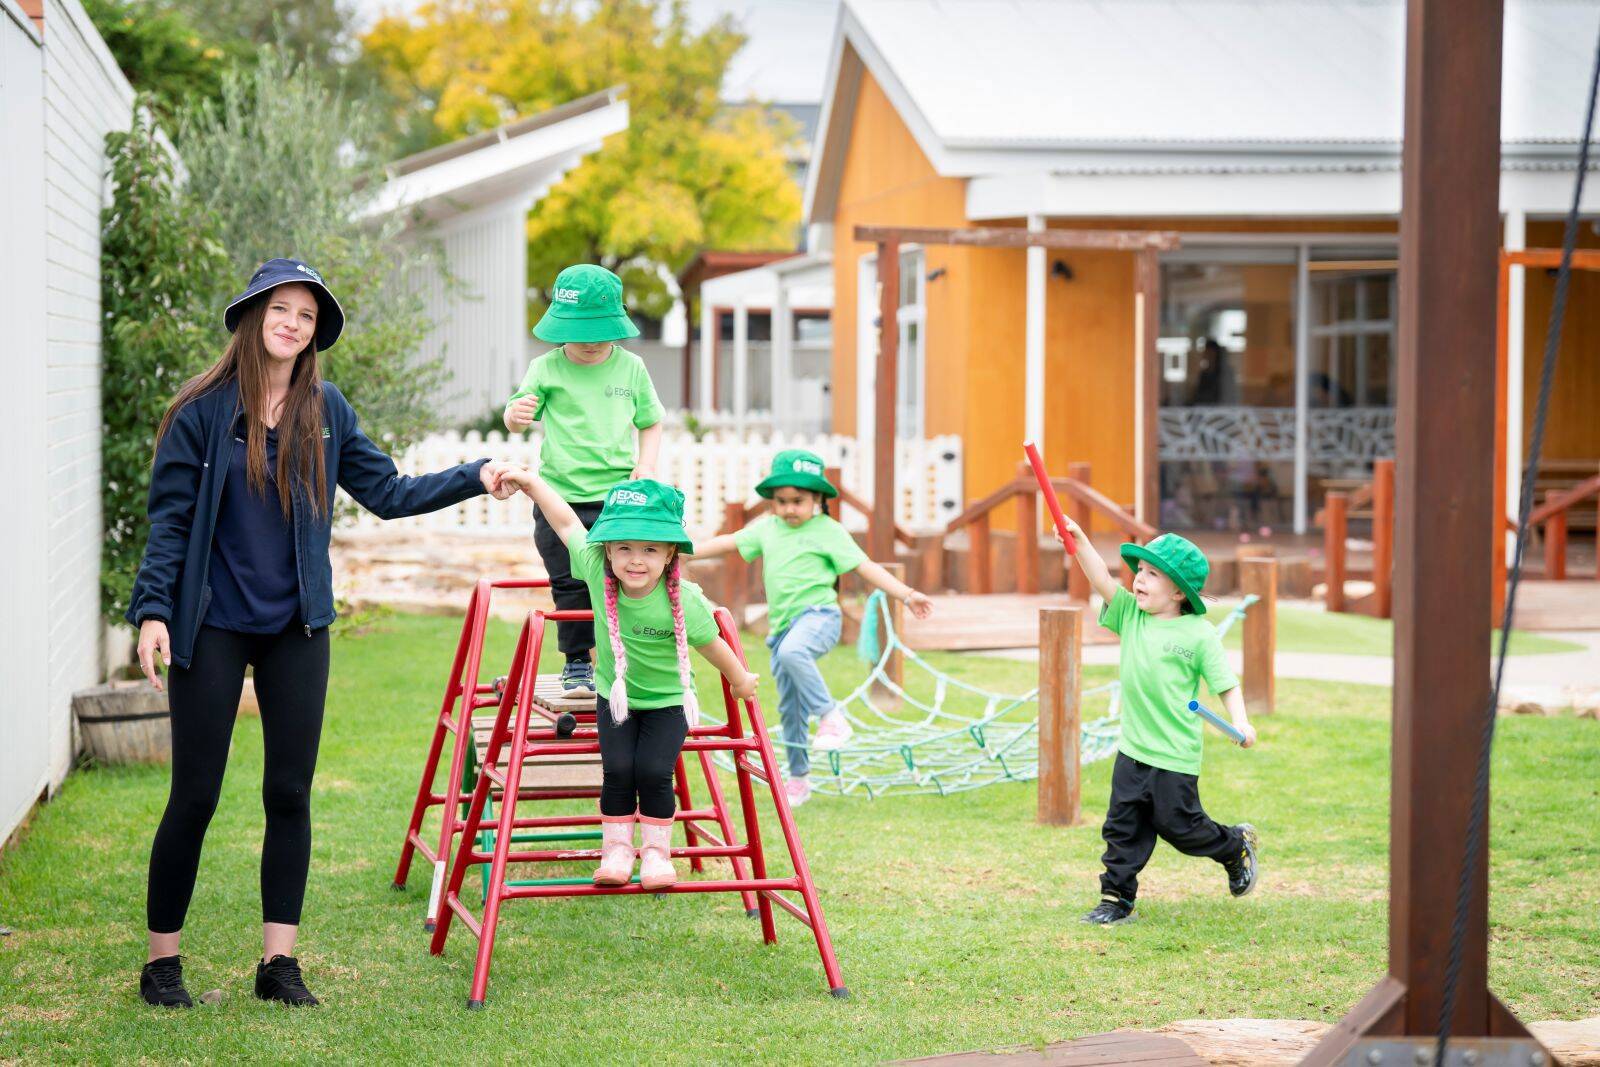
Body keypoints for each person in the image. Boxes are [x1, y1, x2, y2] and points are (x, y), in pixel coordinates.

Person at [127, 259, 518, 1008]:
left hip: (296, 626)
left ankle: (279, 964)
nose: (293, 323)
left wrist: (479, 473)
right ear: (252, 315)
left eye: (306, 316)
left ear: (314, 333)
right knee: (195, 795)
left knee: (290, 793)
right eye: (282, 308)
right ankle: (162, 964)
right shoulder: (200, 411)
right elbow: (169, 523)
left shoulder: (326, 409)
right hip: (209, 623)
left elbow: (391, 493)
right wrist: (153, 610)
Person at [497, 470, 760, 889]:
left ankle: (656, 854)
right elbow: (566, 522)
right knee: (618, 768)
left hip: (668, 700)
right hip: (615, 696)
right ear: (607, 550)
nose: (636, 560)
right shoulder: (597, 571)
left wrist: (740, 678)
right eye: (624, 548)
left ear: (670, 554)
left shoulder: (684, 600)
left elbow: (712, 645)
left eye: (650, 550)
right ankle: (617, 850)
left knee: (654, 770)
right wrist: (533, 484)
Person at [694, 450, 933, 807]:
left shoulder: (828, 531)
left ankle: (833, 717)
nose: (789, 509)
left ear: (818, 500)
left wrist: (907, 594)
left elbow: (865, 567)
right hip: (782, 629)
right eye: (781, 502)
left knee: (795, 653)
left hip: (820, 617)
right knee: (790, 708)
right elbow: (727, 543)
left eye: (799, 501)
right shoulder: (767, 528)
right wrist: (677, 551)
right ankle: (799, 778)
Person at [1055, 518, 1259, 925]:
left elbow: (1226, 685)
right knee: (1122, 828)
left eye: (1153, 574)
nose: (1139, 580)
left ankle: (1233, 845)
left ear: (1179, 591)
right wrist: (1080, 542)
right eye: (1140, 572)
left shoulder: (1199, 635)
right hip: (1133, 749)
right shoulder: (1131, 615)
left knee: (1182, 829)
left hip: (1175, 755)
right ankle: (1116, 899)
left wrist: (1242, 722)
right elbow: (1101, 580)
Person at [503, 264, 664, 697]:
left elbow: (651, 422)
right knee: (571, 581)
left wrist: (646, 466)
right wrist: (514, 415)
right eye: (581, 330)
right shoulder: (545, 367)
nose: (593, 340)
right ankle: (577, 663)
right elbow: (519, 415)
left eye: (601, 330)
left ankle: (625, 661)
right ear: (561, 325)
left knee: (624, 580)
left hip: (618, 498)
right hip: (560, 498)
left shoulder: (631, 367)